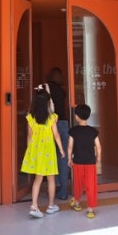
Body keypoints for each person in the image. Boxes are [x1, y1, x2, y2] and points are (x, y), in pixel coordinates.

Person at [20, 85, 65, 218]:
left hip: (36, 151)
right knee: (51, 179)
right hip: (48, 151)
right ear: (47, 103)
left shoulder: (30, 118)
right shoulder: (52, 118)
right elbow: (56, 135)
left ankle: (34, 206)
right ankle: (51, 206)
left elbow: (29, 136)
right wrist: (61, 149)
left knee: (37, 179)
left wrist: (29, 150)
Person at [67, 104, 101, 218]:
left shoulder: (73, 131)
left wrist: (69, 158)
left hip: (78, 162)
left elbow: (70, 147)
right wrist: (98, 157)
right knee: (91, 186)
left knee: (78, 184)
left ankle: (77, 204)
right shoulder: (93, 131)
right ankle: (90, 210)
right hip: (90, 162)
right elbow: (98, 146)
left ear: (77, 117)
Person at [46, 67, 70, 200]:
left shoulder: (46, 88)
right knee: (63, 157)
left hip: (50, 124)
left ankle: (54, 186)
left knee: (50, 157)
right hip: (63, 123)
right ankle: (63, 191)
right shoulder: (62, 91)